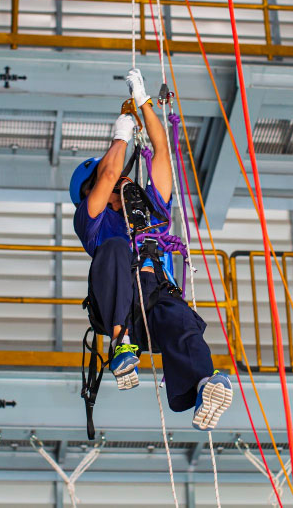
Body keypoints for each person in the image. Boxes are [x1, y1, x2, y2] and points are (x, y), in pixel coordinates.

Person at [69, 69, 232, 431]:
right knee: (113, 249)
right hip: (121, 310)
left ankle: (202, 386)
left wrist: (144, 103)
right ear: (90, 190)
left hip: (155, 301)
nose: (122, 173)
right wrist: (120, 134)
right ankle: (120, 345)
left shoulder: (152, 209)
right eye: (110, 174)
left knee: (183, 321)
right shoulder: (91, 221)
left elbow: (162, 151)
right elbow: (108, 175)